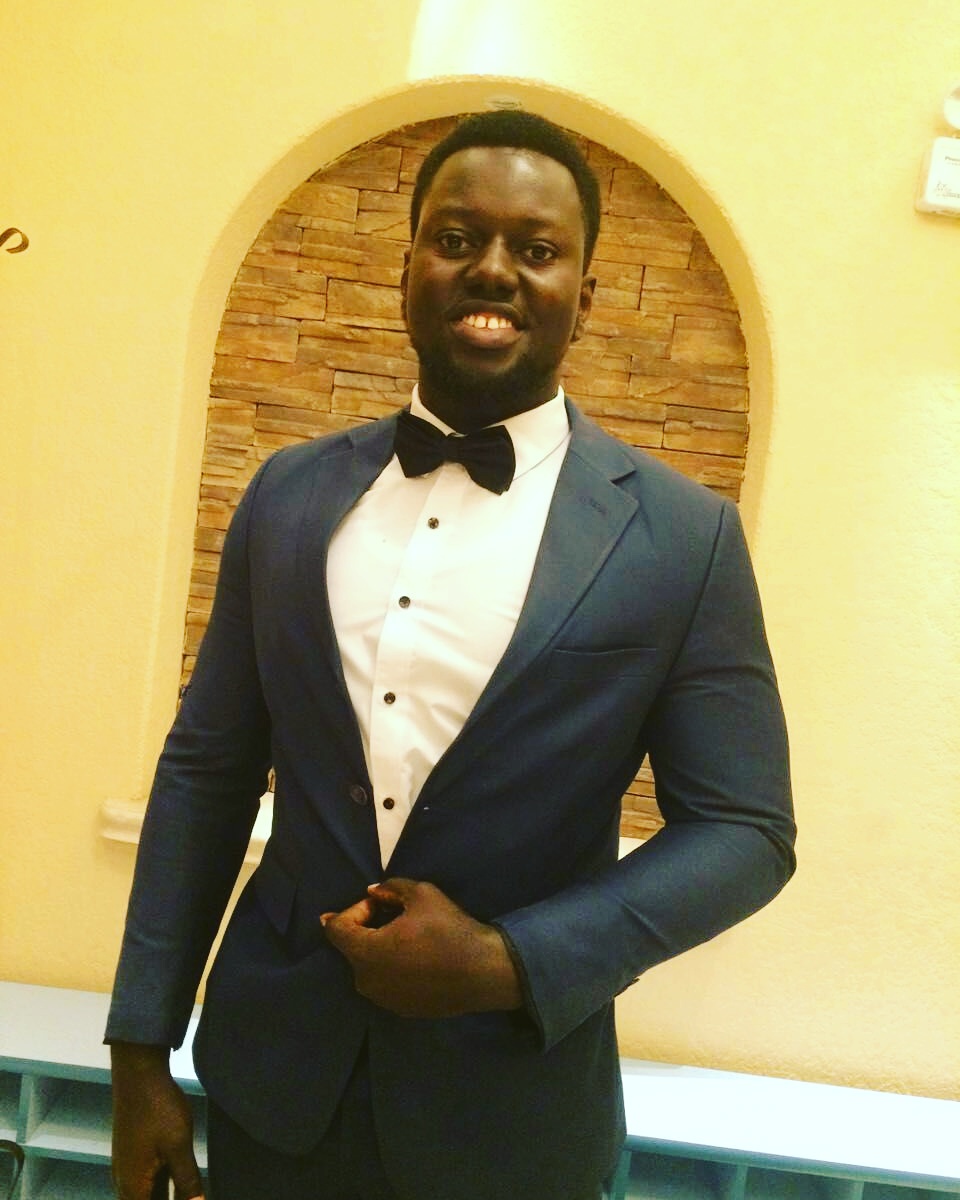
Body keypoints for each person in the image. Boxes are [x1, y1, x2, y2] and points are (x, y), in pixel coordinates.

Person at [107, 111, 795, 1200]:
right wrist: (140, 1050)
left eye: (537, 248)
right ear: (408, 268)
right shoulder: (287, 495)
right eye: (458, 237)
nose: (494, 270)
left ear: (585, 295)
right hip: (273, 1084)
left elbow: (745, 830)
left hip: (512, 1110)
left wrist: (510, 962)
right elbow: (208, 769)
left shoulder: (682, 537)